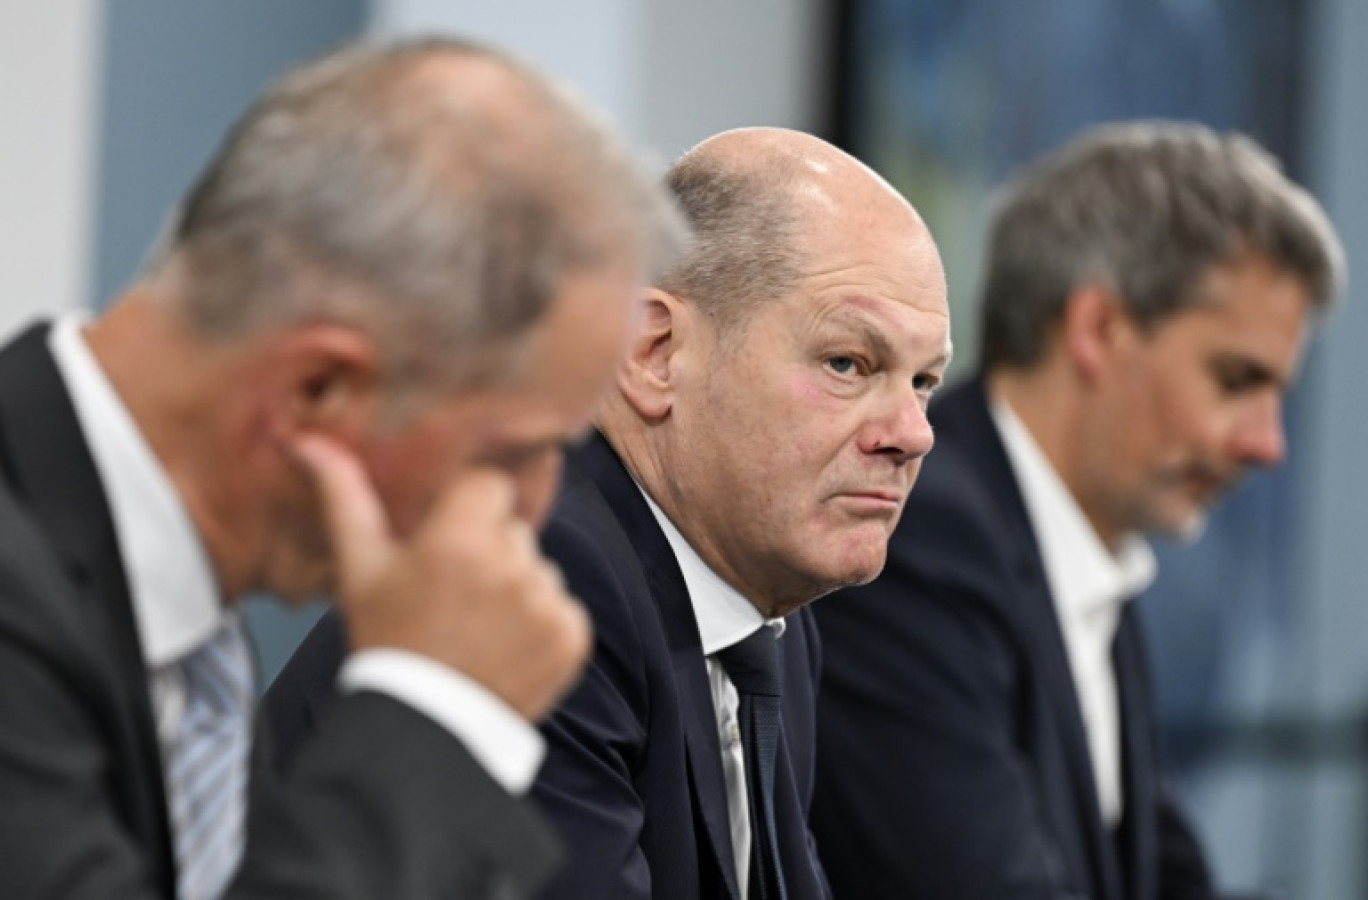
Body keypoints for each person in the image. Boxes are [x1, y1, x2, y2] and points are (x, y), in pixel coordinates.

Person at [0, 37, 684, 900]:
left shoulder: (186, 632)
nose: (535, 510)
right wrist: (437, 709)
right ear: (317, 390)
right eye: (515, 453)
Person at [265, 126, 952, 900]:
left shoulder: (773, 629)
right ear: (655, 353)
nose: (912, 433)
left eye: (923, 381)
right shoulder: (544, 575)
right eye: (849, 364)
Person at [810, 121, 1345, 900]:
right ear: (1098, 329)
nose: (1268, 445)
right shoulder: (914, 533)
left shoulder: (1084, 552)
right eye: (1235, 380)